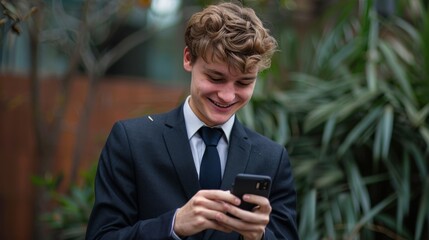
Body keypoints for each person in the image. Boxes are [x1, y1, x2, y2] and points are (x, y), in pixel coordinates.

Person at [85, 2, 299, 240]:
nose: (227, 96)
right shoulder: (131, 141)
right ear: (188, 58)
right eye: (215, 77)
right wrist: (173, 225)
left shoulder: (273, 158)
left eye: (244, 82)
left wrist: (259, 236)